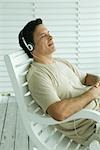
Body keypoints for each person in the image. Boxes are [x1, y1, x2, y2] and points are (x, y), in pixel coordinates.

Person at [18, 18, 100, 146]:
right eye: (43, 36)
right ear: (30, 46)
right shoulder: (37, 76)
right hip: (93, 126)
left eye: (49, 32)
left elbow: (85, 77)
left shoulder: (61, 62)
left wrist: (98, 81)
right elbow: (58, 112)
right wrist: (91, 95)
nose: (50, 37)